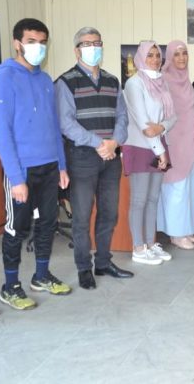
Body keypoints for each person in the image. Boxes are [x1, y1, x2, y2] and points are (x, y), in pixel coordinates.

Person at [0, 18, 71, 310]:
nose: (38, 47)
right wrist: (16, 178)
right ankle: (10, 286)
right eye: (32, 41)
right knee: (16, 228)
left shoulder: (45, 80)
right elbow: (2, 132)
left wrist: (61, 165)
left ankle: (41, 275)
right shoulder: (4, 78)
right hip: (22, 170)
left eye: (42, 42)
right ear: (17, 43)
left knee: (48, 223)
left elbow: (53, 126)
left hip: (49, 166)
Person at [55, 26, 133, 290]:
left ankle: (103, 262)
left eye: (97, 43)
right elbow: (66, 123)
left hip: (110, 157)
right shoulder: (66, 82)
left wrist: (114, 142)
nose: (93, 48)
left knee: (109, 213)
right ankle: (83, 268)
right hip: (82, 158)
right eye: (87, 44)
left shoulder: (112, 81)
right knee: (81, 216)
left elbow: (122, 117)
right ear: (77, 50)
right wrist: (99, 143)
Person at [122, 41, 177, 264]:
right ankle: (138, 248)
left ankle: (149, 243)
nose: (155, 59)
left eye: (157, 55)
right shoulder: (134, 83)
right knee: (139, 199)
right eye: (150, 55)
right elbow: (144, 123)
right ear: (140, 58)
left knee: (153, 198)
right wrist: (160, 151)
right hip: (140, 147)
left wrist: (161, 127)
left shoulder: (162, 82)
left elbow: (173, 117)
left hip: (159, 144)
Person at [157, 40, 194, 249]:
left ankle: (186, 228)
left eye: (184, 53)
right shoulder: (164, 80)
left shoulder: (185, 79)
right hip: (173, 140)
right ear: (169, 57)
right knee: (176, 186)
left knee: (188, 186)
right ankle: (175, 233)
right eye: (177, 54)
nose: (182, 58)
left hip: (189, 140)